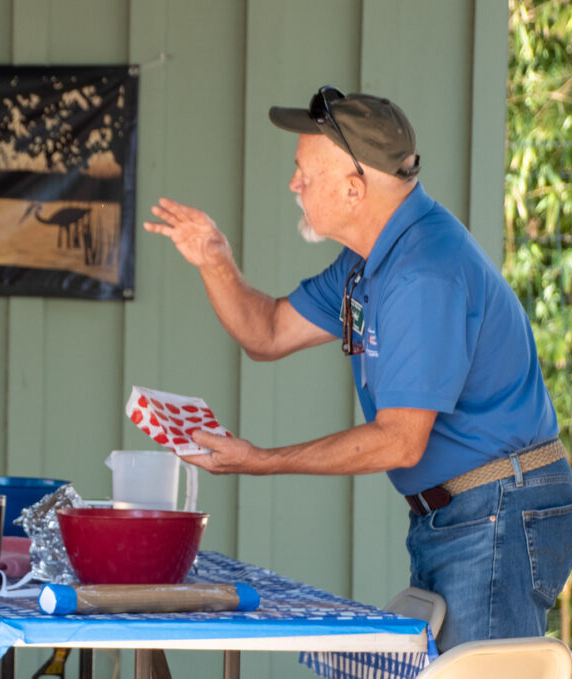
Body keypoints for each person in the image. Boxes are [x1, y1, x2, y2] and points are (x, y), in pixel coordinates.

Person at [145, 85, 572, 652]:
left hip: (494, 510)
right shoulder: (370, 260)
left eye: (305, 173)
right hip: (463, 511)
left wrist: (261, 461)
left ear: (353, 187)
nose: (294, 184)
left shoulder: (424, 271)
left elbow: (400, 442)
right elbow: (267, 332)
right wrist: (215, 260)